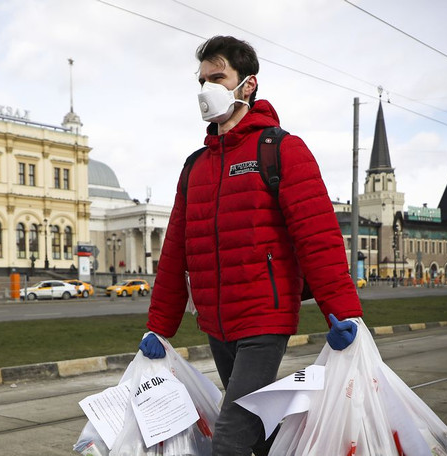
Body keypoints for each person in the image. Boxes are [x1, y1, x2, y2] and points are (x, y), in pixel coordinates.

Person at [138, 36, 363, 455]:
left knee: (229, 440)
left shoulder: (281, 149)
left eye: (218, 77)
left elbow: (318, 237)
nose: (207, 88)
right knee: (258, 430)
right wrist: (160, 327)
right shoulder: (195, 167)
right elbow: (175, 254)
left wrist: (344, 312)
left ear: (248, 84)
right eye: (202, 80)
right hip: (216, 323)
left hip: (264, 318)